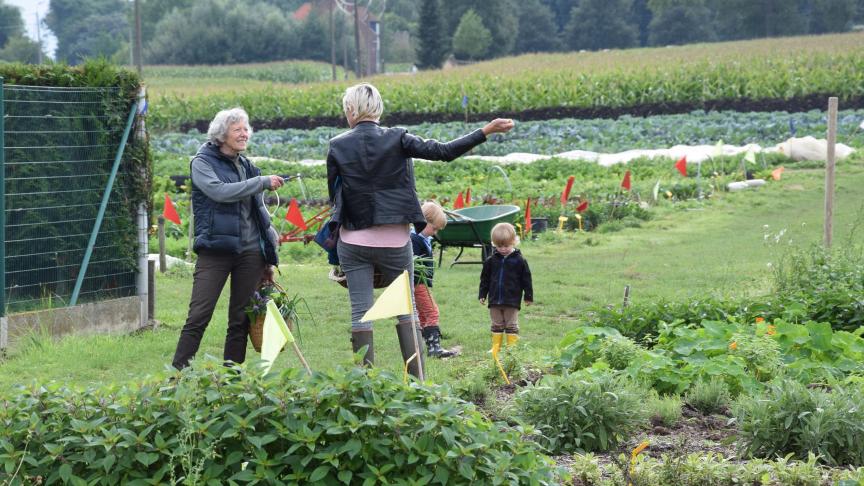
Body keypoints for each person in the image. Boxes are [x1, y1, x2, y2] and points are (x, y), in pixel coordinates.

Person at [327, 82, 513, 378]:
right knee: (407, 310)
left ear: (350, 110)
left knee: (360, 313)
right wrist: (485, 131)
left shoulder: (337, 145)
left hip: (353, 241)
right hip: (395, 241)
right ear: (378, 109)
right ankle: (418, 383)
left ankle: (363, 386)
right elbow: (444, 152)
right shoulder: (398, 137)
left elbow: (334, 196)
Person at [171, 107, 284, 370]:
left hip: (250, 254)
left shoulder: (247, 166)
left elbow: (259, 213)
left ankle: (232, 380)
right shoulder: (202, 163)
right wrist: (261, 181)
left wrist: (269, 253)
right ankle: (176, 377)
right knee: (198, 316)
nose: (244, 134)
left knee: (240, 320)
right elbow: (220, 192)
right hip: (215, 251)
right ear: (222, 134)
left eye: (246, 129)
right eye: (237, 130)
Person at [479, 222, 533, 356]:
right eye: (499, 246)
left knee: (511, 325)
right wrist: (482, 294)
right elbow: (484, 279)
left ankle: (511, 349)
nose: (503, 249)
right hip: (494, 300)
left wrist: (528, 296)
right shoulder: (490, 261)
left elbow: (526, 279)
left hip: (512, 301)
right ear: (494, 244)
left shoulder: (520, 261)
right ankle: (496, 347)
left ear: (514, 242)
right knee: (496, 324)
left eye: (506, 246)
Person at [412, 201, 456, 358]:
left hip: (421, 283)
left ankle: (426, 344)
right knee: (432, 311)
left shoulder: (423, 238)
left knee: (423, 314)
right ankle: (434, 348)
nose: (435, 232)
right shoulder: (414, 239)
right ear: (423, 221)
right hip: (418, 283)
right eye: (434, 228)